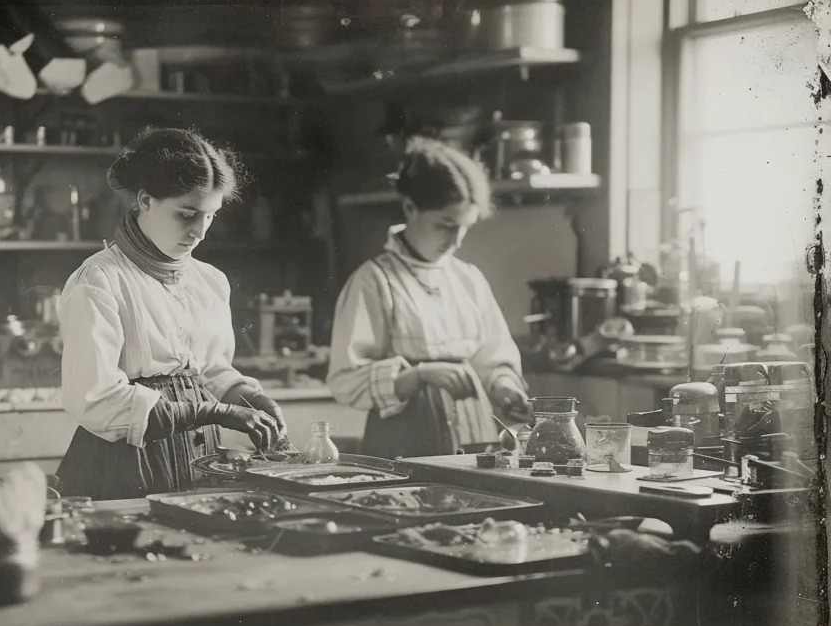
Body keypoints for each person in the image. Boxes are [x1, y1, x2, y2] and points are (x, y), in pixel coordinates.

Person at [55, 127, 287, 500]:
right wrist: (214, 414)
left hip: (197, 458)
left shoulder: (210, 281)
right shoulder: (98, 280)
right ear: (146, 200)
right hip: (124, 463)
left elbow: (210, 370)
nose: (199, 232)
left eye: (210, 216)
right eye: (186, 214)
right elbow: (94, 397)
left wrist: (249, 398)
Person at [327, 137, 530, 459]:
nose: (455, 241)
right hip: (405, 439)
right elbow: (345, 380)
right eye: (445, 225)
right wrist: (418, 376)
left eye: (465, 227)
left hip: (476, 434)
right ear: (410, 208)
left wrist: (503, 387)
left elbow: (492, 358)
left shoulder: (468, 279)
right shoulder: (374, 281)